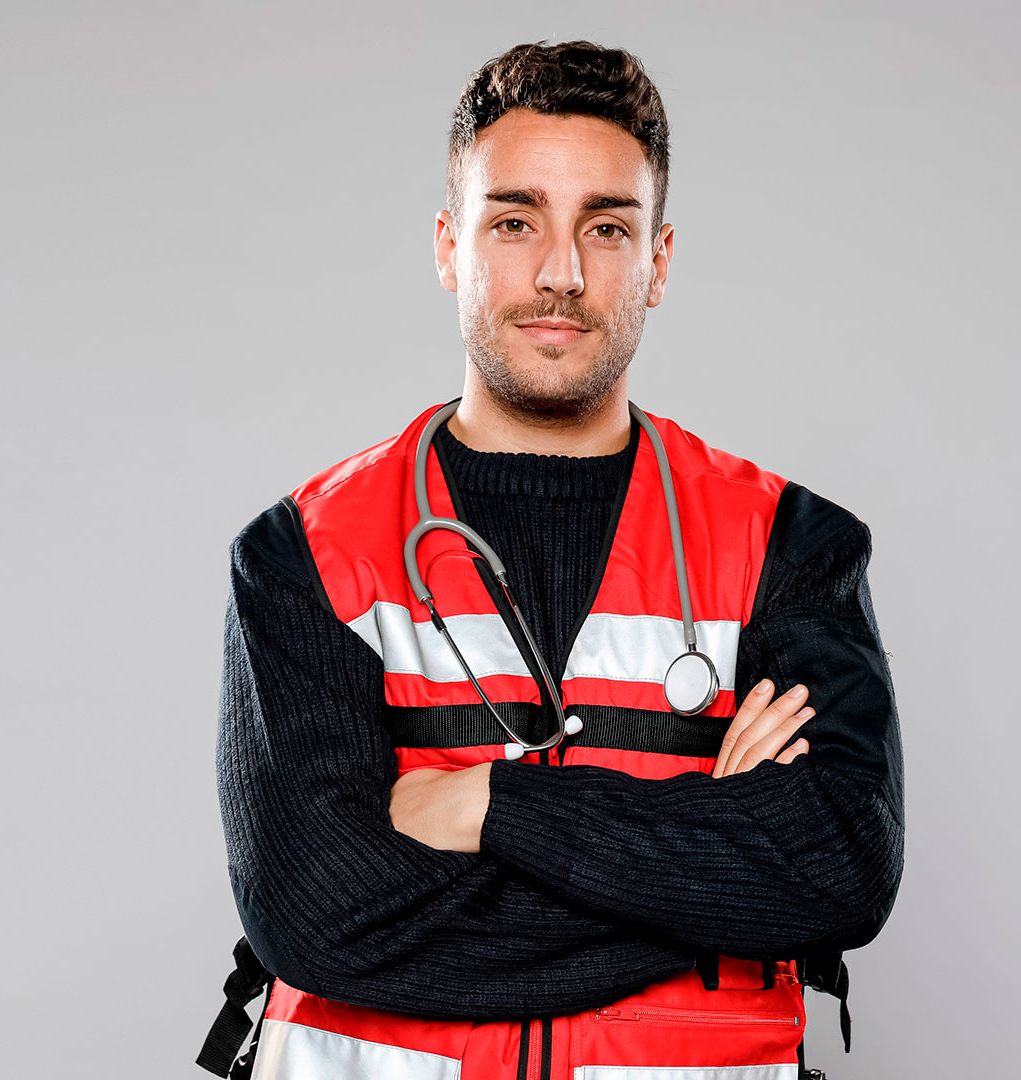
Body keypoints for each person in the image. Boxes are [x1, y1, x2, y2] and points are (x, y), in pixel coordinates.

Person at [200, 41, 904, 1080]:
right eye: (515, 221)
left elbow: (839, 868)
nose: (561, 273)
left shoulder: (789, 547)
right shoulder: (306, 552)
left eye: (607, 227)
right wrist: (712, 871)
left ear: (658, 262)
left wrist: (487, 804)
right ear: (450, 248)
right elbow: (320, 914)